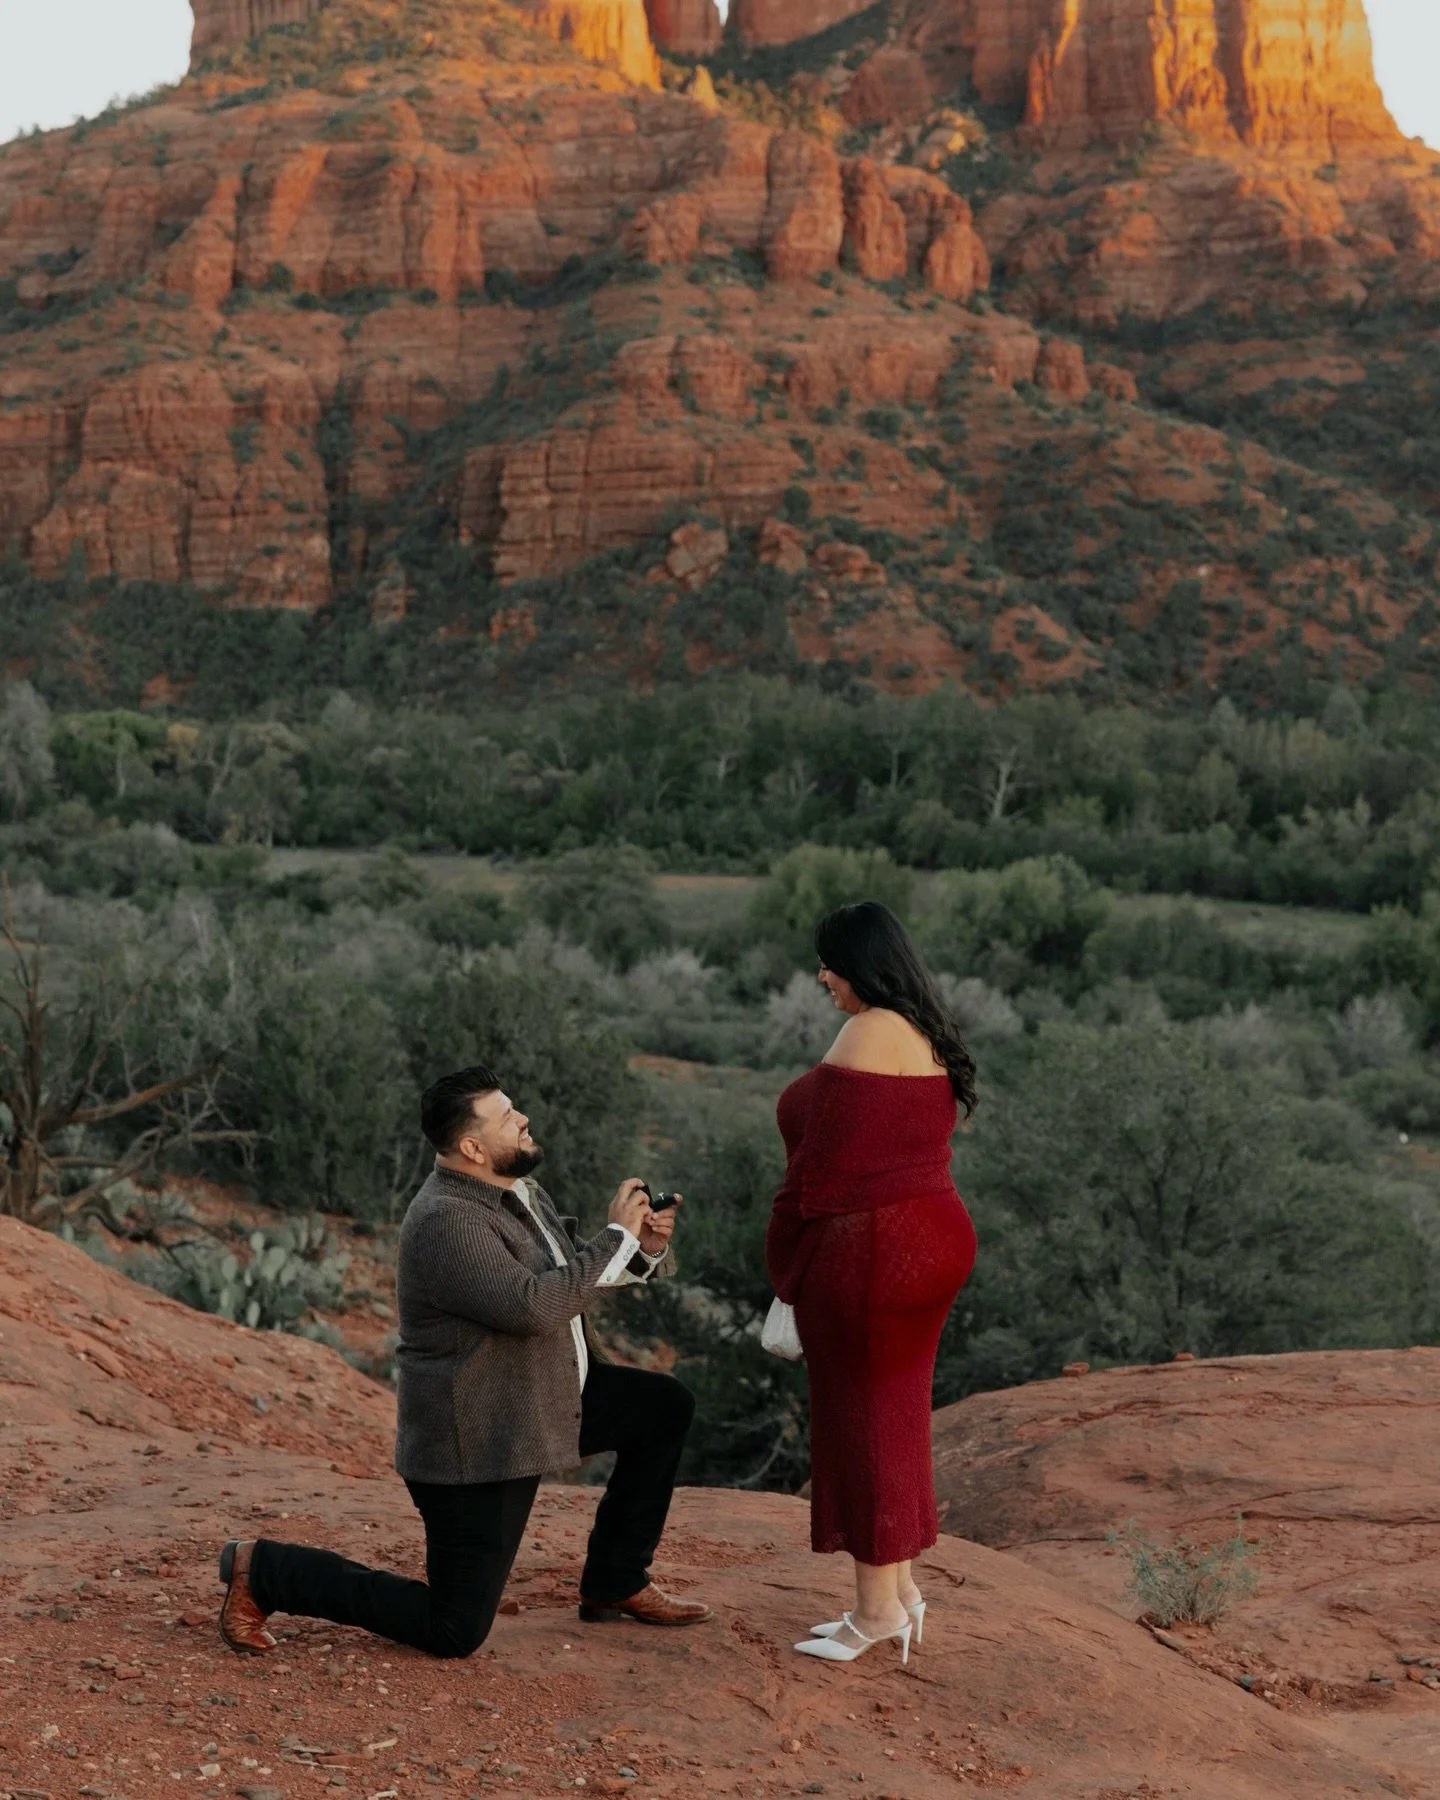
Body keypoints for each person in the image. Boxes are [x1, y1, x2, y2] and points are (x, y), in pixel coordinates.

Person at [217, 1065, 711, 1658]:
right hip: (480, 1437)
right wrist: (615, 1237)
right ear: (473, 1148)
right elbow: (533, 1306)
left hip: (545, 1394)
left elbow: (565, 1274)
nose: (522, 1118)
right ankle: (265, 1570)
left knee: (661, 1408)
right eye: (506, 1116)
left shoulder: (517, 1189)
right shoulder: (448, 1220)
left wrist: (640, 1250)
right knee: (454, 1630)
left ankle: (616, 1579)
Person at [766, 901, 977, 1665]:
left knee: (861, 1421)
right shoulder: (921, 1030)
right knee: (895, 1413)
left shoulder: (868, 1030)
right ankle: (901, 1592)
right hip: (928, 1240)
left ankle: (876, 1611)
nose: (821, 976)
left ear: (859, 963)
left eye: (828, 962)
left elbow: (821, 1171)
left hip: (877, 1252)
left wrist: (784, 1260)